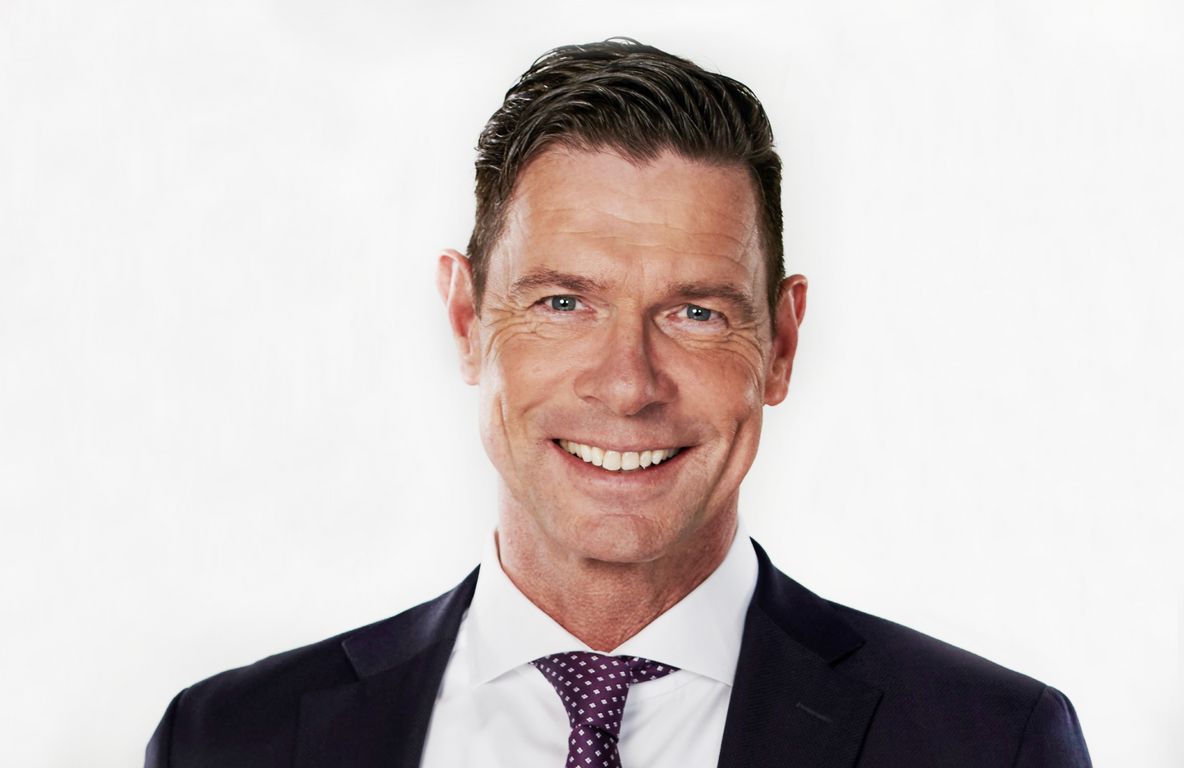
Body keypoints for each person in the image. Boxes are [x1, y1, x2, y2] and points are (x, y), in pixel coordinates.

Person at [145, 39, 1092, 767]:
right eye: (563, 303)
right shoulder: (228, 742)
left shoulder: (988, 745)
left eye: (695, 312)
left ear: (781, 344)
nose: (629, 384)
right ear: (467, 319)